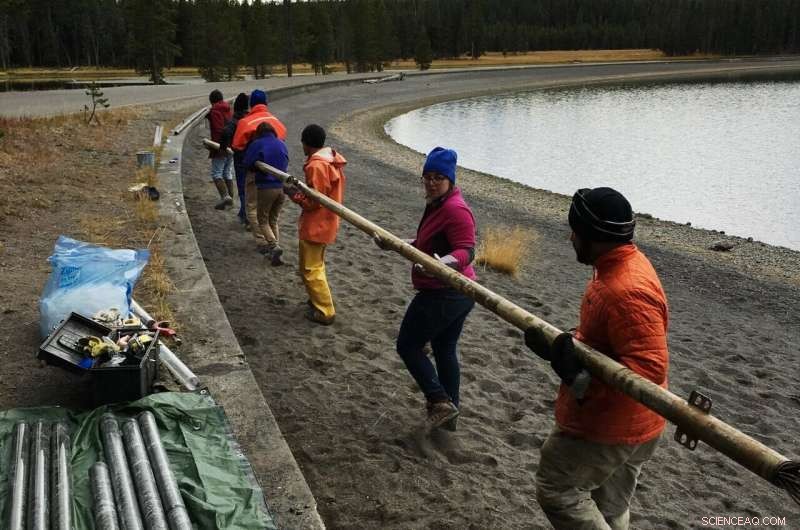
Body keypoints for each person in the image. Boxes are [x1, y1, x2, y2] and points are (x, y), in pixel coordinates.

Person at [523, 187, 669, 530]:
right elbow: (620, 342)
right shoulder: (621, 265)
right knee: (610, 506)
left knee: (558, 487)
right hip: (639, 425)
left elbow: (647, 372)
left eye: (576, 231)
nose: (571, 238)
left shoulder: (625, 289)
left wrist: (579, 378)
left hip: (612, 425)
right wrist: (570, 345)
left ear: (594, 236)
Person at [380, 147, 477, 431]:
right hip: (458, 294)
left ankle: (439, 400)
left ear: (450, 179)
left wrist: (440, 264)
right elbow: (427, 244)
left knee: (408, 345)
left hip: (446, 292)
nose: (432, 182)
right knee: (444, 349)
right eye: (428, 177)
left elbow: (467, 251)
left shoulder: (455, 209)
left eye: (438, 178)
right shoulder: (437, 203)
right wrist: (396, 243)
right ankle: (449, 419)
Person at [285, 124, 346, 325]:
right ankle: (316, 301)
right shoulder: (329, 160)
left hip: (316, 225)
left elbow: (314, 200)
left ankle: (325, 310)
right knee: (313, 265)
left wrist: (295, 195)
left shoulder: (316, 165)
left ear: (306, 143)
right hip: (327, 222)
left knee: (311, 269)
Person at [242, 122, 289, 264]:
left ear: (259, 133)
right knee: (273, 220)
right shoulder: (281, 144)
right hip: (281, 187)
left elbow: (247, 163)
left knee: (262, 219)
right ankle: (275, 251)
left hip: (266, 186)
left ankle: (274, 246)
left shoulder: (258, 144)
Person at [219, 92, 250, 225]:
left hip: (240, 157)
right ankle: (245, 212)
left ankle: (245, 215)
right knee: (252, 187)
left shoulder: (235, 120)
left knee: (243, 187)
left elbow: (225, 132)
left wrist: (223, 147)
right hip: (253, 158)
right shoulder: (250, 119)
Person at [206, 89, 234, 210]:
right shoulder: (228, 109)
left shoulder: (215, 111)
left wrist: (215, 147)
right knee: (227, 172)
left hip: (220, 147)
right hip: (231, 146)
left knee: (216, 173)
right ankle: (230, 198)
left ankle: (225, 196)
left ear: (212, 102)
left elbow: (218, 130)